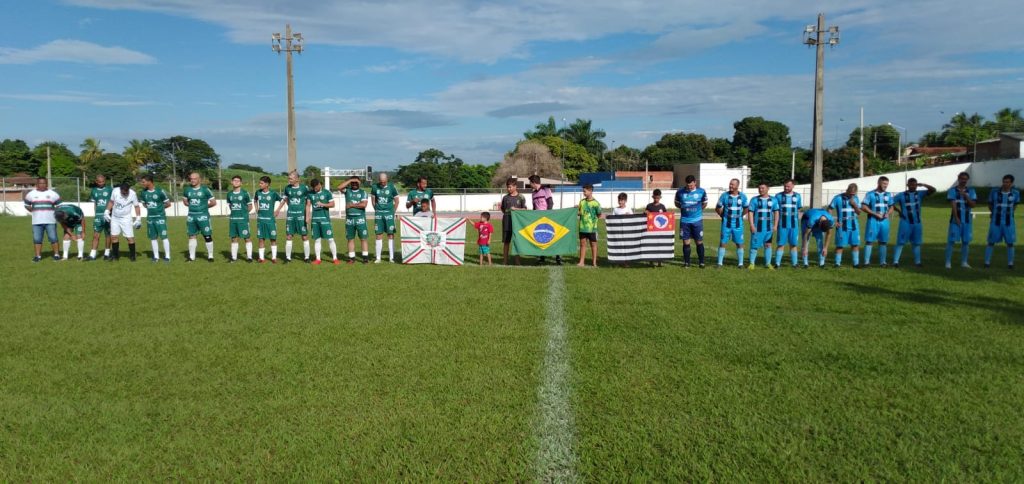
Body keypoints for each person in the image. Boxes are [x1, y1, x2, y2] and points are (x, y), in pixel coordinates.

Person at [892, 178, 936, 268]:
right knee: (901, 242)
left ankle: (918, 262)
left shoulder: (920, 193)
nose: (913, 186)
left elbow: (933, 190)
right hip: (905, 222)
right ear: (907, 185)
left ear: (916, 185)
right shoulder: (901, 195)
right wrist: (899, 211)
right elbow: (890, 202)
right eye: (911, 185)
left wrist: (923, 184)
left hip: (917, 223)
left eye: (915, 185)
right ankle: (895, 262)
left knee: (916, 243)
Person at [275, 171, 311, 263]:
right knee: (289, 236)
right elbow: (284, 200)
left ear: (297, 179)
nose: (289, 180)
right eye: (289, 178)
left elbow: (308, 203)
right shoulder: (287, 188)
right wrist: (278, 209)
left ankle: (307, 257)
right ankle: (288, 258)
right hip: (291, 215)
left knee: (304, 236)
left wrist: (307, 216)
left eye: (291, 178)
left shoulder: (304, 188)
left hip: (301, 216)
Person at [984, 174, 1019, 269]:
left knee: (1010, 243)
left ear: (1011, 183)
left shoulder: (1015, 193)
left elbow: (1015, 205)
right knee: (991, 241)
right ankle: (987, 262)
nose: (1005, 184)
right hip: (996, 222)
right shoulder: (994, 192)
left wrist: (1009, 213)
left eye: (1007, 182)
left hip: (1009, 222)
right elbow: (990, 204)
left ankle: (1010, 264)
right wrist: (994, 213)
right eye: (1004, 181)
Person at [24, 177, 62, 262]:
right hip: (36, 221)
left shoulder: (53, 194)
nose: (42, 185)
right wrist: (33, 210)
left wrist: (55, 213)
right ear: (37, 184)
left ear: (46, 184)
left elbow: (59, 205)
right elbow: (26, 204)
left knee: (53, 238)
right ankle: (38, 256)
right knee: (37, 239)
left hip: (50, 221)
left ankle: (56, 255)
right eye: (40, 183)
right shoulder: (31, 194)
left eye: (44, 183)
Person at [674, 175, 708, 268]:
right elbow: (676, 203)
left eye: (691, 185)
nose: (689, 187)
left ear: (695, 182)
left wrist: (698, 211)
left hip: (697, 221)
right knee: (686, 242)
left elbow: (705, 203)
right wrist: (683, 208)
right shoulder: (680, 192)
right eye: (688, 185)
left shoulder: (701, 191)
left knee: (699, 241)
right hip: (685, 221)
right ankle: (687, 263)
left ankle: (701, 262)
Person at [945, 171, 977, 269]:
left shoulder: (971, 191)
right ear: (958, 179)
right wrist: (956, 218)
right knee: (951, 241)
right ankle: (948, 262)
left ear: (967, 180)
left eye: (965, 179)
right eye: (962, 179)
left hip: (967, 221)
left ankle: (964, 262)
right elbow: (953, 205)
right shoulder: (952, 191)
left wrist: (966, 195)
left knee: (966, 242)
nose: (963, 181)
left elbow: (973, 205)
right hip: (955, 221)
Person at [182, 172, 216, 262]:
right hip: (191, 216)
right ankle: (192, 257)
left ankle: (210, 256)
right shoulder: (187, 190)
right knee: (191, 235)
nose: (192, 180)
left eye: (195, 178)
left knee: (207, 236)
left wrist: (204, 207)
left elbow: (213, 202)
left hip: (203, 216)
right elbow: (185, 201)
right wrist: (191, 206)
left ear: (199, 179)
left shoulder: (205, 190)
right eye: (191, 179)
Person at [861, 176, 894, 267]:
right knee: (869, 241)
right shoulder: (870, 194)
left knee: (883, 242)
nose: (885, 186)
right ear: (879, 183)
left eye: (887, 184)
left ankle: (883, 262)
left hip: (884, 221)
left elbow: (891, 207)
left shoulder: (888, 194)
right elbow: (863, 207)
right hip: (873, 220)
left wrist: (888, 213)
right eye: (884, 184)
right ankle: (866, 262)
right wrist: (875, 214)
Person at [715, 178, 748, 268]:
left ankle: (740, 264)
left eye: (732, 184)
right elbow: (717, 208)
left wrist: (740, 216)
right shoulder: (724, 196)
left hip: (738, 225)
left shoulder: (743, 196)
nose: (730, 186)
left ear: (737, 186)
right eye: (730, 184)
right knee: (723, 243)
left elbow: (746, 208)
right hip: (726, 224)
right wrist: (722, 216)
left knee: (739, 243)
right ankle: (719, 263)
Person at [104, 181, 142, 261]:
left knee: (129, 238)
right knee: (114, 236)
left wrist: (138, 218)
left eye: (126, 192)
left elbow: (136, 206)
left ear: (128, 190)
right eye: (123, 192)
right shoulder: (115, 191)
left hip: (126, 218)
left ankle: (132, 256)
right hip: (115, 218)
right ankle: (115, 256)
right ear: (120, 189)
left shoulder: (133, 194)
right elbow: (111, 201)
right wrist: (107, 211)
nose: (125, 194)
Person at [139, 174, 172, 262]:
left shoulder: (160, 191)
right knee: (153, 237)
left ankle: (167, 256)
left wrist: (159, 208)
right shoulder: (143, 193)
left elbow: (168, 204)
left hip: (160, 217)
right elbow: (144, 204)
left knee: (164, 236)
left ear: (149, 181)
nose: (142, 183)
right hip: (150, 218)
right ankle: (156, 256)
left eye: (143, 182)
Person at [829, 183, 862, 268]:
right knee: (840, 245)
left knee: (855, 244)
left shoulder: (856, 198)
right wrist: (833, 221)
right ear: (847, 190)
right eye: (850, 193)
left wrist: (854, 205)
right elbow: (829, 209)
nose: (852, 195)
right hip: (842, 225)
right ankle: (837, 263)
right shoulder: (837, 198)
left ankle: (856, 264)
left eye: (853, 194)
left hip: (854, 225)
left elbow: (859, 212)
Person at [529, 174, 560, 265]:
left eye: (530, 182)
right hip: (538, 220)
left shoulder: (546, 190)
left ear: (534, 183)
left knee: (552, 238)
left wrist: (547, 216)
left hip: (548, 219)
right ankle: (542, 258)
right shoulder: (533, 193)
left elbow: (550, 203)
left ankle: (558, 257)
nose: (530, 184)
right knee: (541, 238)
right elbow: (534, 207)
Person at [307, 178, 339, 265]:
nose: (314, 189)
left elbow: (332, 204)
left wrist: (323, 204)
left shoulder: (326, 192)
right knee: (317, 240)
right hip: (315, 220)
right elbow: (308, 205)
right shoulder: (310, 193)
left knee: (330, 239)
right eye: (313, 188)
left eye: (316, 187)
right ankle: (318, 259)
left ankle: (335, 258)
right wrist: (307, 217)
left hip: (325, 220)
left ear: (319, 185)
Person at [370, 172, 401, 263]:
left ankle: (391, 257)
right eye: (381, 181)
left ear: (387, 180)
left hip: (389, 214)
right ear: (379, 180)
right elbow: (373, 200)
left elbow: (397, 200)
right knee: (378, 234)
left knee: (390, 234)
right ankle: (378, 258)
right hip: (379, 214)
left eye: (384, 181)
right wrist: (377, 210)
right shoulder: (374, 187)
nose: (383, 183)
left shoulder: (392, 187)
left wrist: (393, 212)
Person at [746, 182, 777, 270]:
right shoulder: (754, 200)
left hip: (768, 228)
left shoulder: (773, 200)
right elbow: (750, 213)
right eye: (759, 188)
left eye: (763, 188)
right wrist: (752, 225)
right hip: (757, 228)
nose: (761, 190)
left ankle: (768, 263)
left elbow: (776, 212)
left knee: (768, 245)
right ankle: (752, 264)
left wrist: (775, 225)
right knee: (754, 245)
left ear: (768, 188)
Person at [339, 177, 370, 264]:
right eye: (353, 183)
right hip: (349, 219)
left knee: (363, 239)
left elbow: (364, 205)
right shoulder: (347, 191)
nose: (354, 184)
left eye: (356, 182)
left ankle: (365, 258)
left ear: (359, 183)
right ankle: (351, 258)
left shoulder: (363, 192)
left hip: (360, 219)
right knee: (350, 239)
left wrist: (351, 205)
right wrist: (350, 180)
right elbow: (339, 187)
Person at [773, 179, 803, 268]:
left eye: (788, 186)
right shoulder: (778, 196)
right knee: (781, 244)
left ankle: (795, 263)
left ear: (793, 186)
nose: (786, 188)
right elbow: (776, 210)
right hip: (782, 225)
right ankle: (777, 263)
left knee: (793, 244)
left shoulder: (798, 196)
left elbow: (799, 209)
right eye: (785, 186)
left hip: (794, 225)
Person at [254, 176, 282, 263]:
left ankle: (274, 258)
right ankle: (261, 258)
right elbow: (255, 200)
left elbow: (282, 200)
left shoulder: (273, 193)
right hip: (261, 220)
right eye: (260, 183)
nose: (260, 184)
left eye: (261, 183)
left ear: (267, 184)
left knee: (273, 239)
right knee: (261, 239)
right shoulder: (258, 192)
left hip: (270, 220)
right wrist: (256, 208)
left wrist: (277, 210)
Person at [226, 175, 254, 263]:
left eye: (238, 181)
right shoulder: (229, 194)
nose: (236, 182)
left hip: (243, 220)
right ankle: (234, 258)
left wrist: (244, 214)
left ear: (241, 183)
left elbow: (250, 206)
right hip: (233, 220)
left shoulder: (245, 193)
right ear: (231, 182)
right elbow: (230, 206)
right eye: (234, 180)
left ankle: (249, 257)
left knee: (247, 237)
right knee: (234, 238)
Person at [500, 178, 526, 265]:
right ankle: (505, 261)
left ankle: (517, 261)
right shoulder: (505, 197)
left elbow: (525, 209)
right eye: (507, 187)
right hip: (507, 222)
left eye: (510, 187)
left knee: (516, 242)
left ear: (515, 186)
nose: (508, 189)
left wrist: (516, 209)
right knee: (506, 242)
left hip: (517, 223)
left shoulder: (521, 197)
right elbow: (503, 209)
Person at [88, 174, 113, 260]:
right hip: (98, 216)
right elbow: (95, 203)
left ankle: (107, 253)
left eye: (103, 181)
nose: (101, 183)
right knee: (96, 235)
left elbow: (113, 202)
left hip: (108, 215)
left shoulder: (110, 189)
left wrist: (111, 213)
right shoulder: (94, 190)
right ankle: (92, 254)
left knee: (108, 234)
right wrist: (96, 214)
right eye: (99, 182)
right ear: (96, 181)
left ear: (105, 181)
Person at [577, 184, 603, 267]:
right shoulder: (582, 202)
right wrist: (575, 210)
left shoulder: (596, 203)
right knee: (582, 244)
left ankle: (594, 262)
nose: (583, 193)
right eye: (583, 191)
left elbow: (599, 214)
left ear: (590, 191)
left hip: (592, 229)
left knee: (593, 245)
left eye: (585, 191)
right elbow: (579, 212)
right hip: (582, 227)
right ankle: (581, 262)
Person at [645, 189, 668, 267]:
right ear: (652, 197)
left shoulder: (662, 207)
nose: (656, 199)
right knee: (651, 245)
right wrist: (645, 213)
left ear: (660, 197)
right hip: (651, 230)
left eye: (658, 198)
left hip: (660, 230)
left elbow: (666, 217)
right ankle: (651, 260)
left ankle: (660, 261)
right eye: (655, 198)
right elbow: (645, 216)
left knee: (660, 245)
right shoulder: (649, 206)